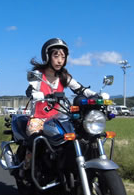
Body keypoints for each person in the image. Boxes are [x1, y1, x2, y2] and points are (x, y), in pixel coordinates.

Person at [23, 38, 96, 169]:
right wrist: (35, 94)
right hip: (39, 119)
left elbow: (80, 89)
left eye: (63, 56)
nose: (60, 60)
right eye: (56, 55)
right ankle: (27, 166)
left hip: (58, 119)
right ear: (47, 56)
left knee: (75, 137)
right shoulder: (39, 75)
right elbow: (30, 90)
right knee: (35, 139)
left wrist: (95, 95)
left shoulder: (64, 76)